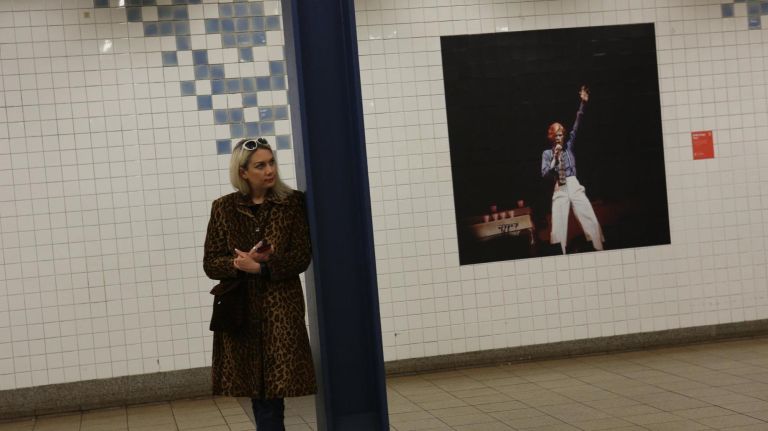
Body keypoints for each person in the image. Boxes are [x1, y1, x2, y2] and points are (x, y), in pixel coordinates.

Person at [203, 137, 315, 430]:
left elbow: (301, 256)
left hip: (280, 309)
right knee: (257, 388)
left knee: (275, 388)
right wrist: (238, 265)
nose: (269, 170)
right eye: (260, 165)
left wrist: (262, 268)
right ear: (243, 172)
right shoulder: (223, 208)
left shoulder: (292, 204)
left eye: (271, 162)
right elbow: (211, 263)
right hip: (242, 312)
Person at [541, 85, 604, 254]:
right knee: (558, 227)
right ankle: (559, 255)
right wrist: (555, 157)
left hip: (573, 183)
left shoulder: (569, 147)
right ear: (552, 137)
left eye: (561, 133)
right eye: (557, 134)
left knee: (589, 217)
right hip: (559, 187)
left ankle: (600, 249)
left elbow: (578, 123)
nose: (560, 136)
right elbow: (545, 174)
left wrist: (583, 103)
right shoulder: (547, 153)